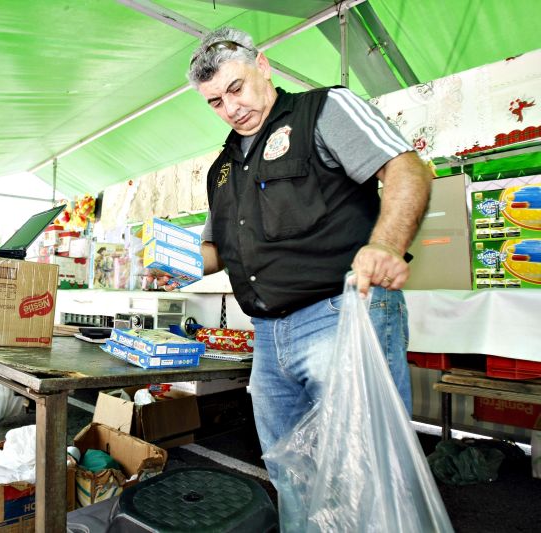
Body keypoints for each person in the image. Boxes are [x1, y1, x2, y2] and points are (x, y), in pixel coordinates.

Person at [187, 27, 434, 525]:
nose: (231, 108)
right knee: (292, 472)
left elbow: (407, 169)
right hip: (266, 338)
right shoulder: (222, 167)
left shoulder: (324, 110)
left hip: (340, 317)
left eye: (236, 88)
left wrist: (386, 244)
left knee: (367, 473)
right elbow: (216, 252)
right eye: (215, 101)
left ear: (263, 66)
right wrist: (160, 263)